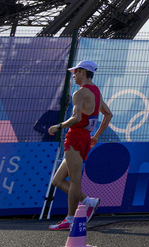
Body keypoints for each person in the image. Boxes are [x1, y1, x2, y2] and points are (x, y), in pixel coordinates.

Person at [48, 60, 113, 231]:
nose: (74, 76)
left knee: (74, 180)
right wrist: (96, 136)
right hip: (84, 137)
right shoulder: (96, 91)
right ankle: (87, 201)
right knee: (57, 180)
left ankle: (70, 219)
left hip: (75, 137)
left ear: (83, 72)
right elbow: (108, 114)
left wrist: (59, 126)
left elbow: (76, 118)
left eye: (75, 72)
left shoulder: (80, 93)